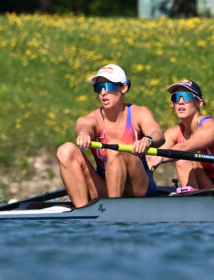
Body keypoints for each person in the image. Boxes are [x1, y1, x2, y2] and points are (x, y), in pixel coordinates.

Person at [56, 64, 165, 208]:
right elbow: (84, 126)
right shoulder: (92, 118)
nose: (102, 93)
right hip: (106, 187)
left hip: (138, 187)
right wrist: (84, 134)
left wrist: (147, 140)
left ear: (123, 88)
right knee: (66, 150)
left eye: (108, 86)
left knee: (115, 146)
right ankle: (81, 213)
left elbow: (158, 134)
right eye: (98, 87)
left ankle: (112, 212)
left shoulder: (139, 113)